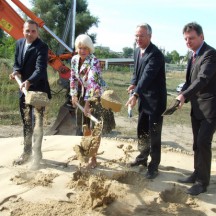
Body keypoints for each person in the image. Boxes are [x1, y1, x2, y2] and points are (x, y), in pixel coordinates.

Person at [176, 22, 216, 195]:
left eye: (191, 38)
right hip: (196, 108)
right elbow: (189, 82)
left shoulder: (210, 54)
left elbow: (202, 79)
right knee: (196, 144)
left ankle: (202, 182)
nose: (188, 41)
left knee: (203, 143)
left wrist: (184, 95)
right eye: (185, 39)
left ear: (202, 36)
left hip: (210, 109)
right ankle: (196, 173)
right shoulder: (192, 56)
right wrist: (180, 94)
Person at [126, 23, 167, 179]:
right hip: (144, 99)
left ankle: (154, 166)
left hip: (156, 102)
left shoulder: (156, 55)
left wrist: (135, 94)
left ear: (150, 36)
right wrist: (133, 83)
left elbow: (147, 76)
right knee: (142, 130)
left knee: (154, 133)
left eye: (142, 35)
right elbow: (137, 74)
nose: (138, 38)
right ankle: (142, 158)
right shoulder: (137, 51)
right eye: (136, 35)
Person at [9, 20, 51, 170]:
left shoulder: (42, 47)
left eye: (33, 31)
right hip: (23, 91)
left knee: (37, 124)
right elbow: (17, 63)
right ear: (23, 30)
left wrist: (29, 81)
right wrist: (16, 72)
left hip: (38, 91)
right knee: (27, 123)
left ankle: (37, 156)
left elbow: (40, 69)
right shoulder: (19, 43)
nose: (30, 34)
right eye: (28, 31)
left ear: (37, 32)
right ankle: (26, 153)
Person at [70, 34, 105, 168]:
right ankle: (86, 151)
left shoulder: (93, 61)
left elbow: (92, 83)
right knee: (85, 125)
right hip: (83, 92)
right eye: (80, 48)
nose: (82, 50)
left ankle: (93, 158)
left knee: (95, 127)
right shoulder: (74, 59)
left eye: (85, 48)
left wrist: (87, 104)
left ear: (89, 49)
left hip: (95, 94)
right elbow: (73, 78)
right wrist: (73, 95)